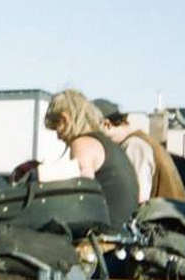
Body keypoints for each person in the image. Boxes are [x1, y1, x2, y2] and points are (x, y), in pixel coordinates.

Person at [44, 89, 139, 230]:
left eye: (56, 126)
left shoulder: (82, 144)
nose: (58, 137)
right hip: (124, 230)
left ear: (65, 119)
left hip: (104, 234)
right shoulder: (106, 144)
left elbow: (83, 194)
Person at [92, 98, 185, 203]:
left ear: (107, 125)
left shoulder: (134, 146)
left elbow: (137, 198)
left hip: (162, 213)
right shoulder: (139, 141)